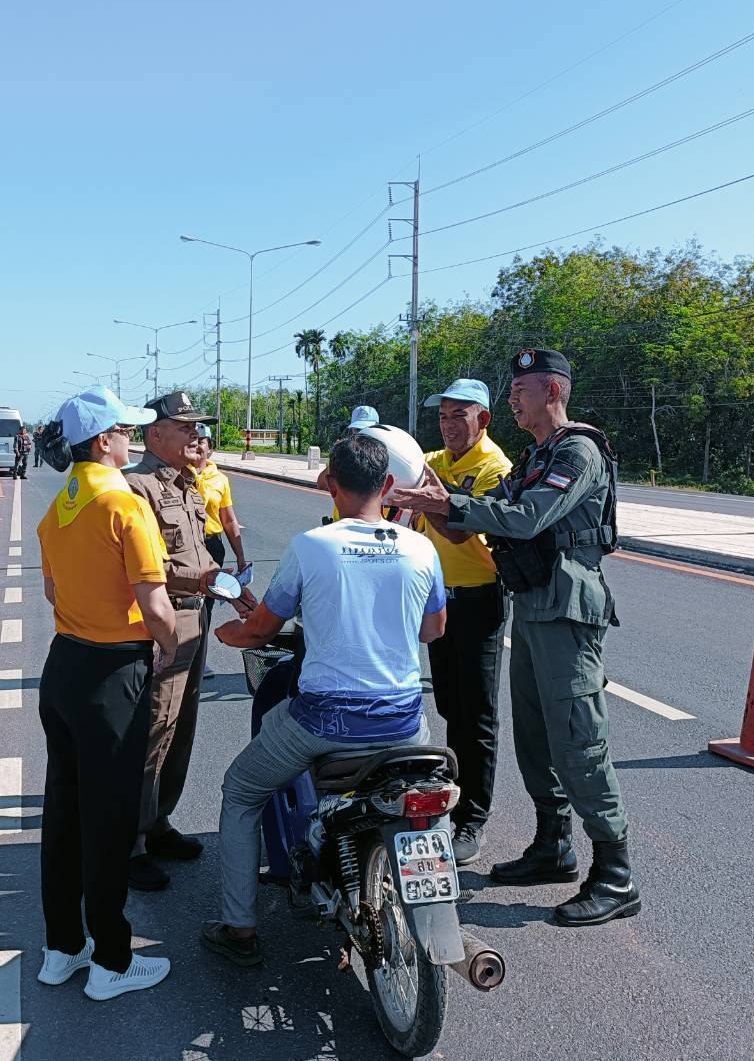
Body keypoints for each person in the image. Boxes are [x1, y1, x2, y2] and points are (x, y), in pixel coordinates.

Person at [388, 348, 636, 927]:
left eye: (521, 390)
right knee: (535, 735)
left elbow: (526, 518)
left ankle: (616, 873)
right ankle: (554, 844)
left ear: (553, 391)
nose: (513, 400)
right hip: (533, 607)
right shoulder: (537, 455)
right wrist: (436, 502)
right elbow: (486, 511)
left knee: (579, 738)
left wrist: (448, 502)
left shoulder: (577, 451)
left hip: (568, 612)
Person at [201, 433, 447, 965]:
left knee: (241, 789)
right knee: (430, 791)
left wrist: (225, 634)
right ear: (388, 485)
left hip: (323, 723)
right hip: (405, 722)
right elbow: (433, 630)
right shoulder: (421, 548)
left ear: (331, 484)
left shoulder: (312, 546)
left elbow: (261, 630)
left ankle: (239, 928)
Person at [33, 386, 178, 1001]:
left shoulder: (60, 505)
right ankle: (113, 962)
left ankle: (62, 948)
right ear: (102, 442)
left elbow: (51, 591)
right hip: (113, 673)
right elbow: (156, 605)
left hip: (64, 665)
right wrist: (169, 647)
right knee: (110, 819)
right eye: (125, 431)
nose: (132, 439)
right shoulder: (123, 504)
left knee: (64, 813)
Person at [124, 391, 254, 891]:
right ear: (155, 434)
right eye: (186, 427)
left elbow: (200, 555)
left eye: (198, 427)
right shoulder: (137, 487)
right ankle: (132, 842)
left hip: (196, 614)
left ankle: (159, 822)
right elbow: (148, 567)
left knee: (182, 725)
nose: (197, 435)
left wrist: (230, 588)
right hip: (164, 619)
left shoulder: (189, 483)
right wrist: (203, 582)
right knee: (155, 726)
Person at [415, 379, 513, 864]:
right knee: (450, 704)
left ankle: (472, 818)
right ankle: (454, 789)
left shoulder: (496, 468)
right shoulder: (434, 462)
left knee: (476, 714)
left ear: (483, 419)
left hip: (478, 600)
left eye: (459, 415)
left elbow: (459, 533)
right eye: (442, 416)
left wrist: (429, 501)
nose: (449, 425)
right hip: (438, 600)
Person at [192, 425, 248, 680]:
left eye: (202, 441)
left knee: (206, 604)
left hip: (212, 546)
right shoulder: (178, 474)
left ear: (210, 448)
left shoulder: (220, 480)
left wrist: (240, 556)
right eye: (193, 439)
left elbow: (229, 520)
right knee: (183, 602)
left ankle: (199, 658)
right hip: (185, 546)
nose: (197, 445)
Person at [313, 404, 380, 493]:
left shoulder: (386, 454)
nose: (362, 433)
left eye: (367, 428)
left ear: (377, 428)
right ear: (352, 430)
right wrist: (336, 459)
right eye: (358, 429)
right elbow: (321, 485)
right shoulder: (347, 454)